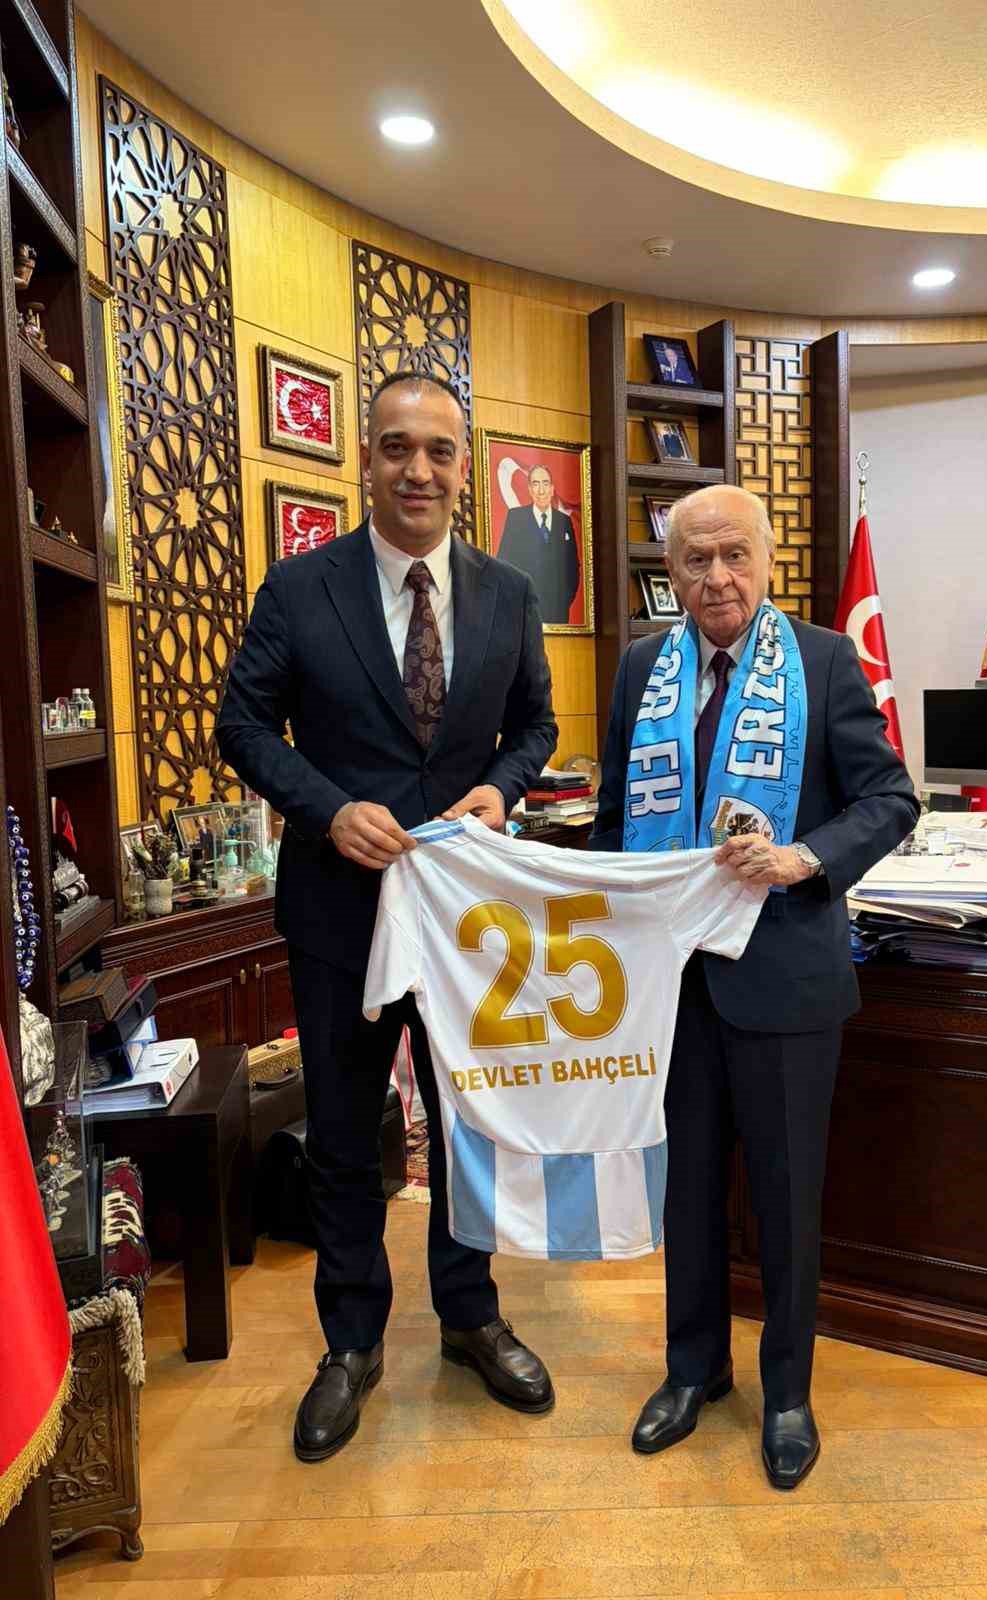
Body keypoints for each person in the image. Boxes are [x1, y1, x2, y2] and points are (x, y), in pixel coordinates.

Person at [217, 371, 559, 1463]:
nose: (419, 470)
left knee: (469, 1128)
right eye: (397, 447)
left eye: (440, 451)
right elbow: (242, 724)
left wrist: (501, 787)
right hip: (340, 912)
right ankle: (351, 1341)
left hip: (466, 921)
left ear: (466, 465)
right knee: (345, 1136)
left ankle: (470, 1316)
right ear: (364, 459)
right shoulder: (298, 588)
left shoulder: (509, 593)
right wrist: (325, 808)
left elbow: (537, 726)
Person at [590, 484, 917, 1490]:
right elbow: (614, 817)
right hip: (672, 981)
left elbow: (890, 798)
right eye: (696, 559)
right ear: (671, 573)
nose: (718, 577)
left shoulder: (823, 660)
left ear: (767, 560)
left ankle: (787, 1394)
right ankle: (694, 1370)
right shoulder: (642, 667)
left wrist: (803, 858)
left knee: (784, 1197)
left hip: (784, 976)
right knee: (686, 1192)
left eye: (735, 554)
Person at [496, 464, 580, 624]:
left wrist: (563, 602)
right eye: (535, 484)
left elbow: (573, 568)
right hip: (523, 612)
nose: (541, 490)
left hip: (557, 614)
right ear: (529, 489)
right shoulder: (516, 518)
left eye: (545, 483)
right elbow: (504, 564)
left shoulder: (564, 521)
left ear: (552, 489)